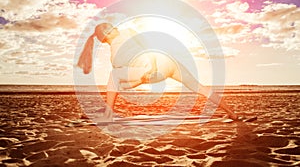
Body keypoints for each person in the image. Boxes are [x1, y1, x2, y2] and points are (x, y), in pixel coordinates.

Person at [77, 23, 238, 121]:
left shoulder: (114, 53)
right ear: (111, 30)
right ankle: (231, 112)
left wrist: (150, 70)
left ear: (103, 38)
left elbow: (121, 81)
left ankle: (107, 114)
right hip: (168, 61)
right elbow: (148, 43)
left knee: (114, 78)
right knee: (199, 87)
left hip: (151, 68)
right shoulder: (129, 31)